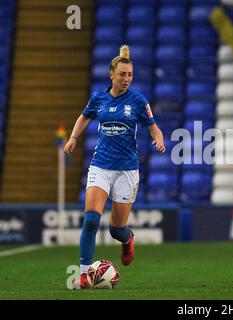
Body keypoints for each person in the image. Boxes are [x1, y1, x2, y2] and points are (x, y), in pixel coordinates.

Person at [64, 45, 165, 289]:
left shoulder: (139, 101)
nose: (126, 79)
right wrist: (74, 137)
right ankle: (85, 274)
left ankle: (127, 239)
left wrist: (158, 137)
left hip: (127, 170)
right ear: (111, 75)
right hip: (101, 166)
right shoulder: (98, 98)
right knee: (90, 221)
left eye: (130, 75)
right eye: (122, 74)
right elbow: (84, 116)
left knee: (116, 229)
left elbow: (153, 126)